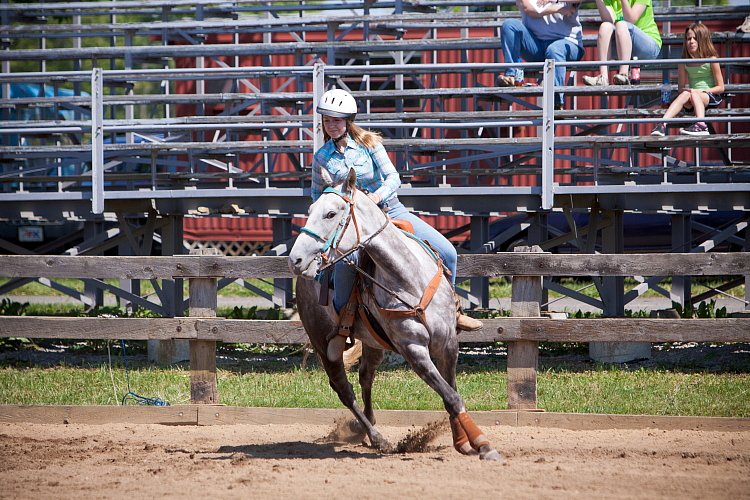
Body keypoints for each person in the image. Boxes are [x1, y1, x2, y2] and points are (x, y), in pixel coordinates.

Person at [311, 88, 483, 338]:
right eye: (327, 120)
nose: (331, 125)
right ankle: (343, 328)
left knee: (448, 252)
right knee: (343, 273)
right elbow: (318, 197)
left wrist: (377, 196)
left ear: (348, 121)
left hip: (390, 211)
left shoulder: (369, 143)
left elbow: (393, 177)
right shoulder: (321, 158)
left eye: (336, 120)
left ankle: (452, 312)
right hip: (353, 226)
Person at [497, 0, 585, 110]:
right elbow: (529, 9)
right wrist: (559, 8)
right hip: (536, 46)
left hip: (567, 42)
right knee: (509, 25)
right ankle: (512, 76)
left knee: (554, 50)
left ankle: (557, 103)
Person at [651, 22, 724, 137]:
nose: (691, 41)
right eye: (689, 38)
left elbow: (721, 87)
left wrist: (701, 91)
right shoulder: (683, 62)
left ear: (703, 40)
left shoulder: (712, 59)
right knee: (686, 93)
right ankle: (662, 124)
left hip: (709, 96)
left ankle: (701, 125)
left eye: (695, 38)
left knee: (693, 92)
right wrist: (689, 92)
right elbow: (681, 88)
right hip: (692, 97)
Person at [582, 0, 662, 86]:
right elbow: (609, 21)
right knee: (605, 26)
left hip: (648, 47)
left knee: (621, 24)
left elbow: (630, 19)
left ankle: (624, 74)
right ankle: (603, 77)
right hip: (624, 46)